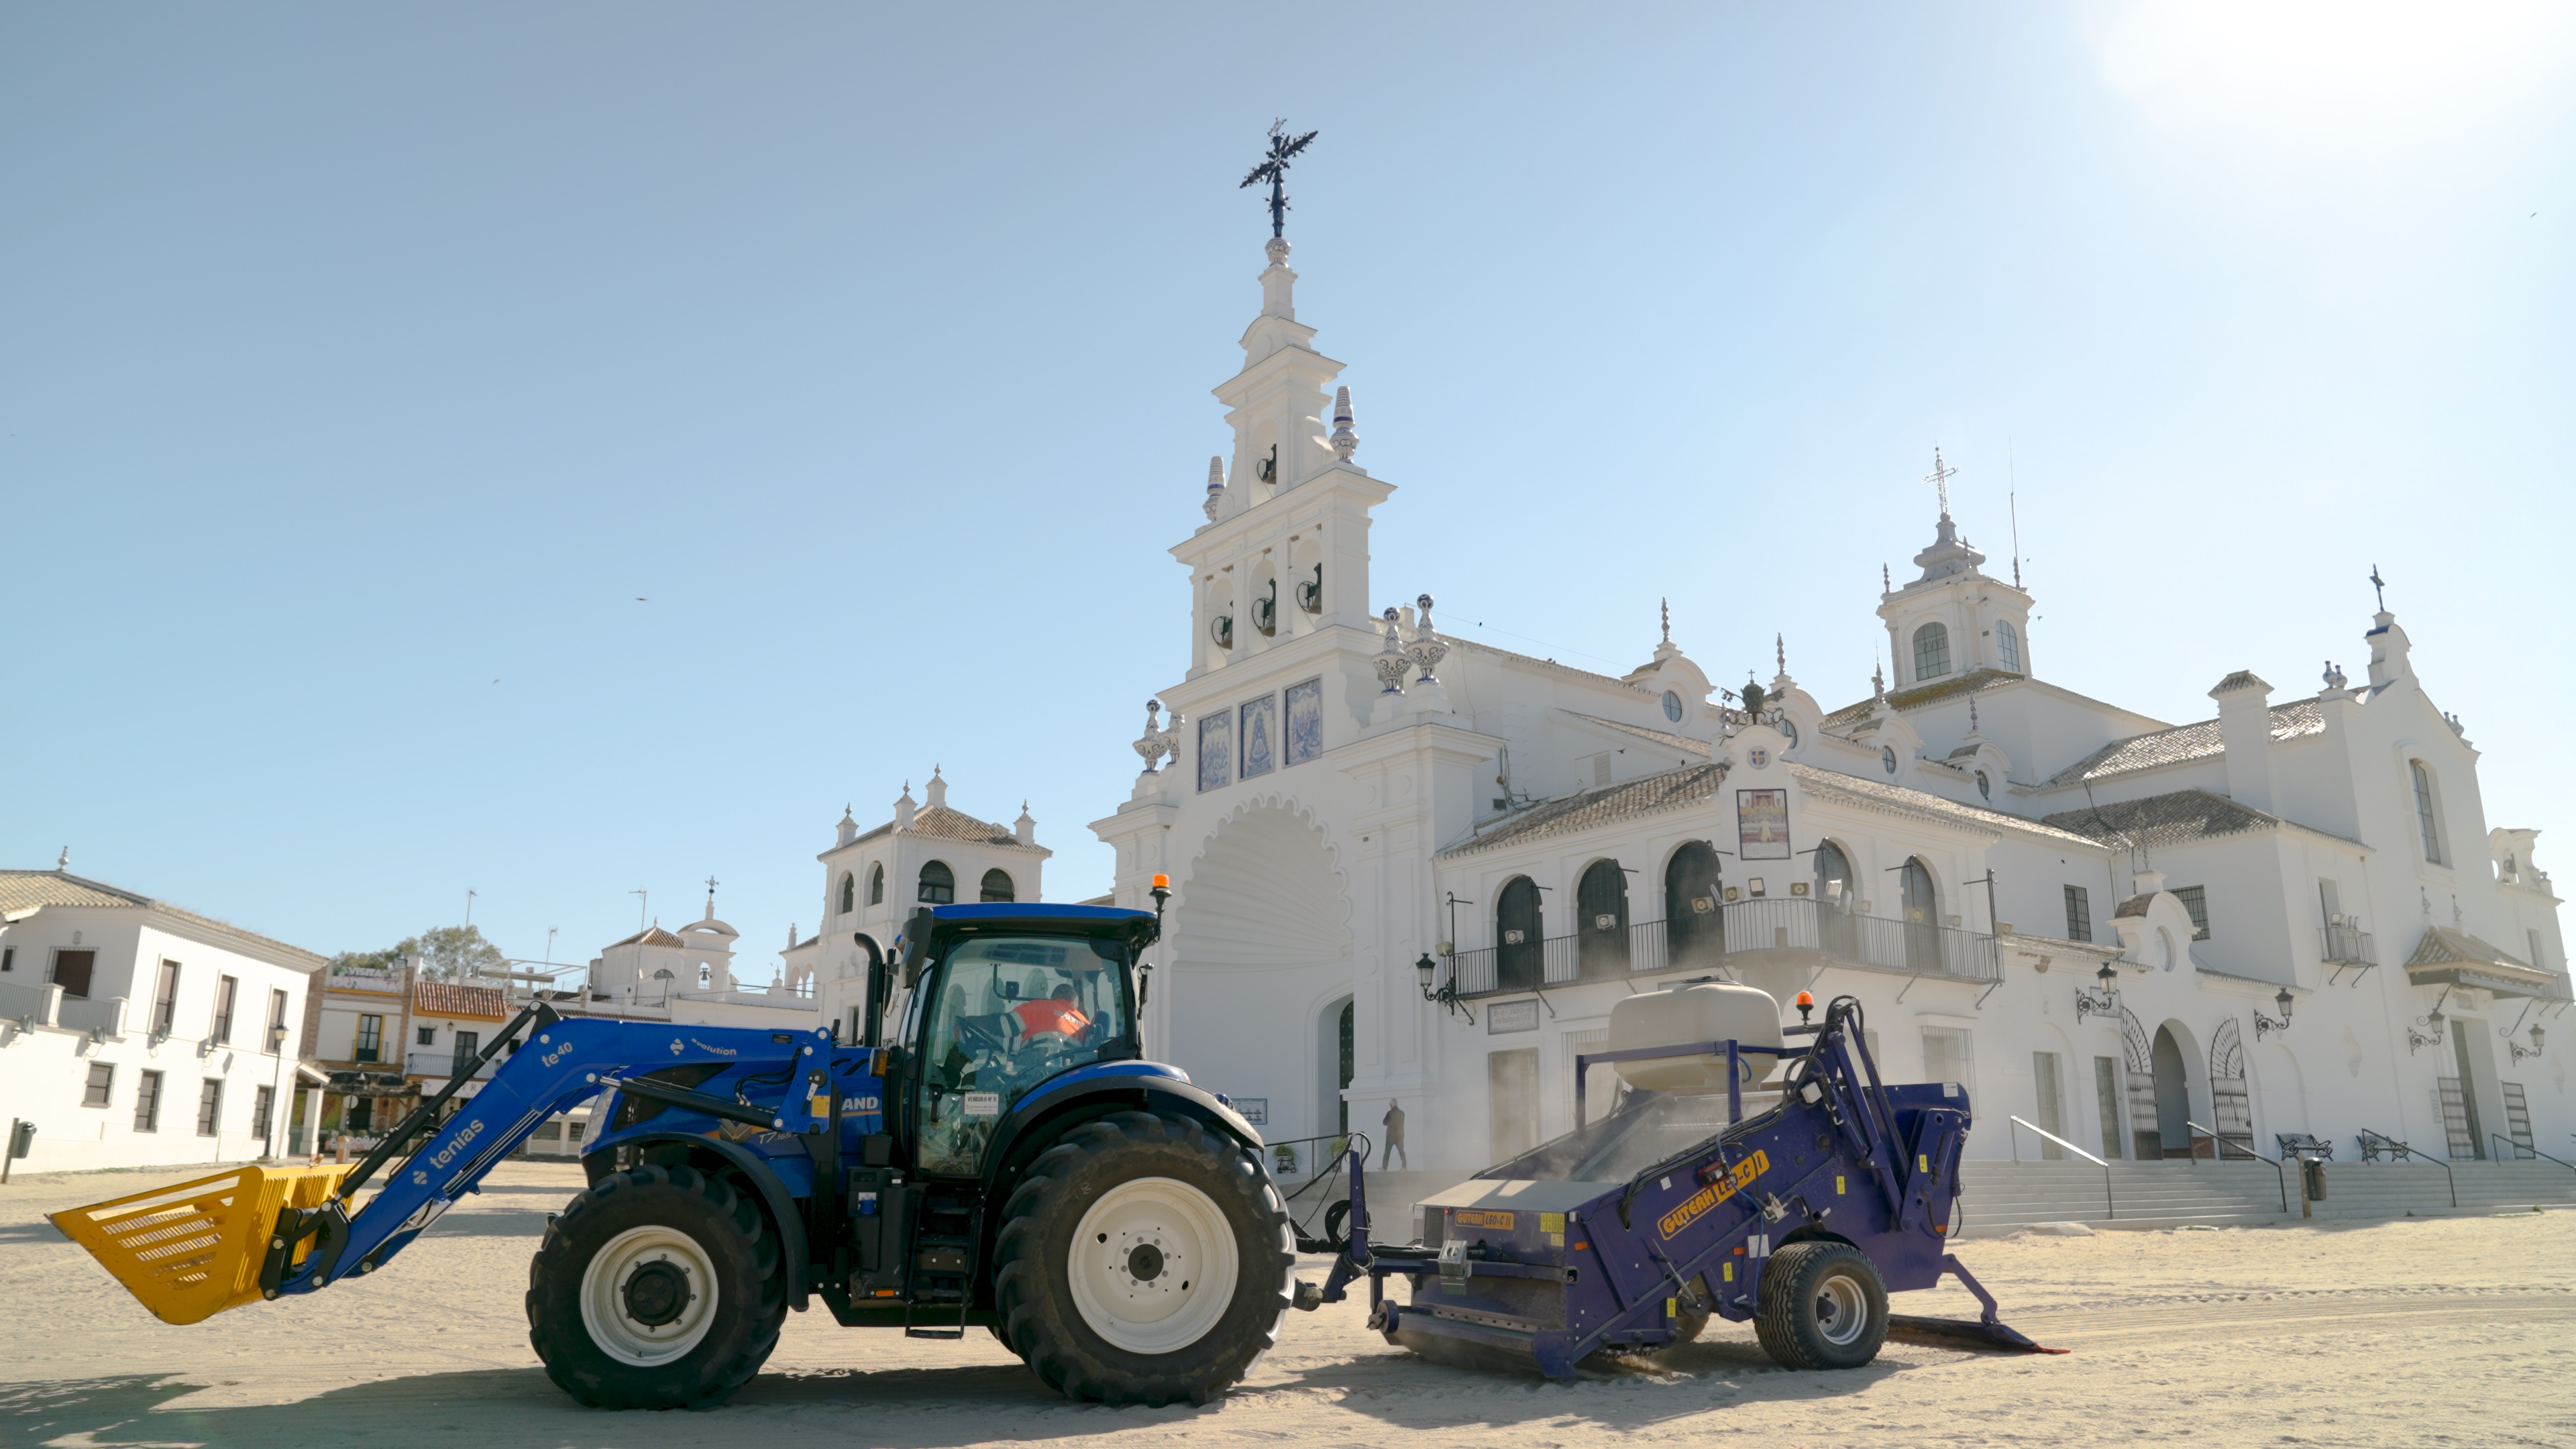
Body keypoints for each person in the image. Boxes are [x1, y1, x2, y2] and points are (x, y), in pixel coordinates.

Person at [1010, 982, 1091, 1049]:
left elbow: (1007, 1024)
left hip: (1032, 1061)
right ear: (1073, 1000)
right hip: (1071, 1063)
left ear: (1053, 998)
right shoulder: (1085, 1023)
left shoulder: (1037, 1007)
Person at [1381, 1099, 1407, 1170]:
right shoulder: (1402, 1113)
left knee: (1387, 1152)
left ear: (1391, 1105)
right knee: (1401, 1151)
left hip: (1391, 1136)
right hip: (1400, 1135)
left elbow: (1384, 1123)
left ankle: (1384, 1167)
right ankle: (1404, 1166)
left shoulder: (1390, 1113)